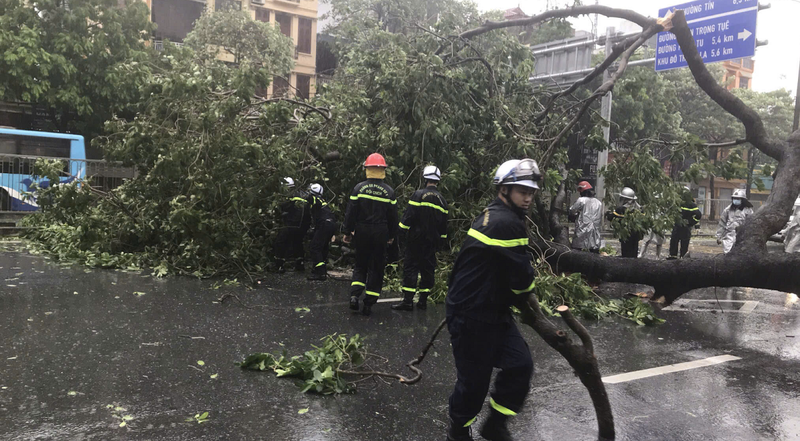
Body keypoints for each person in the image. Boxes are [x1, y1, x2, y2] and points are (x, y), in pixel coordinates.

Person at [445, 159, 539, 441]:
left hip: (493, 310)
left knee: (520, 364)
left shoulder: (496, 214)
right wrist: (532, 305)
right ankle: (458, 431)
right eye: (521, 190)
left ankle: (495, 425)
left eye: (531, 192)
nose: (528, 197)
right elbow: (521, 280)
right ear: (504, 190)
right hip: (471, 314)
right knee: (473, 383)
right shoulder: (505, 223)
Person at [343, 153, 399, 316]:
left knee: (360, 264)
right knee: (376, 267)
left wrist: (347, 231)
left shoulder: (358, 188)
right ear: (383, 170)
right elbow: (393, 217)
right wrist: (392, 235)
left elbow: (351, 212)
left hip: (362, 230)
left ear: (367, 169)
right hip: (380, 232)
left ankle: (354, 296)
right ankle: (368, 304)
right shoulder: (389, 192)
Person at [392, 165, 449, 312]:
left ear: (425, 179)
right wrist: (440, 242)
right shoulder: (443, 201)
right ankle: (422, 301)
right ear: (438, 181)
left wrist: (400, 233)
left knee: (411, 268)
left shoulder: (418, 195)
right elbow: (444, 227)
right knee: (428, 270)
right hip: (432, 242)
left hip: (416, 240)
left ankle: (408, 301)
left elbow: (408, 217)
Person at [271, 177, 311, 273]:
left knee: (280, 241)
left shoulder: (289, 195)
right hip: (303, 225)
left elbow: (284, 207)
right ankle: (300, 264)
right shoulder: (302, 194)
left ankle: (279, 265)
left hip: (292, 223)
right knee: (297, 242)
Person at [306, 183, 338, 281]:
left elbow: (307, 201)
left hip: (325, 225)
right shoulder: (322, 200)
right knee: (322, 247)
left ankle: (320, 273)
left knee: (315, 248)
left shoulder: (314, 199)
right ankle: (319, 270)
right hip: (331, 224)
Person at [606, 187, 643, 258]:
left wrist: (608, 214)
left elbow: (611, 217)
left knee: (626, 253)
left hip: (625, 235)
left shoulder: (621, 209)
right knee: (634, 252)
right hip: (635, 234)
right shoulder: (639, 209)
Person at [716, 188, 754, 254]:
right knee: (727, 254)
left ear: (742, 200)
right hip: (729, 235)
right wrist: (719, 236)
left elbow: (752, 223)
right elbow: (722, 223)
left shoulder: (748, 210)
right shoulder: (728, 210)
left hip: (742, 236)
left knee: (740, 255)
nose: (736, 200)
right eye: (734, 198)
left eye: (738, 199)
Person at [568, 181, 602, 253]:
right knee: (594, 248)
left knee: (577, 248)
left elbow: (572, 210)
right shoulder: (599, 203)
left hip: (582, 227)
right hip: (595, 228)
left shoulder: (581, 200)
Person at [668, 187, 702, 259]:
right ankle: (677, 258)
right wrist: (691, 222)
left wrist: (691, 222)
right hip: (682, 227)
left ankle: (676, 258)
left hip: (681, 227)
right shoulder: (683, 203)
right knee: (678, 243)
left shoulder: (686, 203)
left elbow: (698, 215)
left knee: (677, 243)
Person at [638, 194, 666, 259]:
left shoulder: (662, 208)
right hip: (650, 224)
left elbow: (664, 217)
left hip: (659, 225)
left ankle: (657, 256)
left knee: (659, 241)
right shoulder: (650, 207)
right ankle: (641, 254)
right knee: (646, 240)